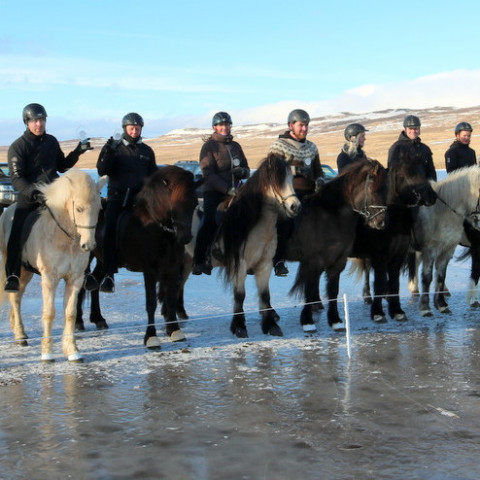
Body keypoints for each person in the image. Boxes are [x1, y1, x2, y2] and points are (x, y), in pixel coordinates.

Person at [4, 103, 92, 292]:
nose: (39, 124)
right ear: (27, 122)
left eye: (42, 120)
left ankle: (86, 270)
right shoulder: (18, 147)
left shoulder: (51, 141)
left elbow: (61, 166)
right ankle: (12, 274)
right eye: (35, 121)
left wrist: (78, 151)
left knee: (81, 222)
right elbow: (17, 179)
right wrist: (33, 192)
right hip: (30, 197)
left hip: (55, 195)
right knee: (16, 230)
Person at [97, 113, 157, 293]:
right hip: (117, 198)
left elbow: (153, 176)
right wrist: (109, 151)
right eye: (131, 128)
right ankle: (108, 273)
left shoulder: (147, 151)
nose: (134, 131)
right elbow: (102, 170)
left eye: (137, 128)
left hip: (139, 201)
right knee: (110, 229)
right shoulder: (114, 148)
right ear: (125, 129)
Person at [192, 111, 250, 275]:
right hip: (215, 192)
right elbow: (208, 173)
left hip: (236, 192)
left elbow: (246, 168)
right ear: (215, 127)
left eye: (227, 124)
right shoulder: (209, 146)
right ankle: (199, 259)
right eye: (221, 125)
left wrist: (243, 172)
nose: (225, 127)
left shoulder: (236, 146)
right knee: (210, 220)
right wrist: (226, 189)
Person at [268, 108, 324, 276]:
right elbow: (273, 171)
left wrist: (320, 180)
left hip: (310, 194)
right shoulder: (279, 146)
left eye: (306, 125)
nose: (304, 129)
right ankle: (278, 260)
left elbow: (318, 170)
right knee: (285, 224)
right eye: (301, 125)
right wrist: (296, 171)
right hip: (288, 194)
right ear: (291, 125)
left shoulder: (311, 147)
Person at [387, 114, 437, 181]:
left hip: (424, 188)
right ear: (405, 129)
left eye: (416, 128)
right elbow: (392, 175)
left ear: (419, 129)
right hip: (404, 189)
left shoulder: (425, 149)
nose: (413, 131)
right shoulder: (396, 148)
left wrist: (432, 187)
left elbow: (431, 172)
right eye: (410, 128)